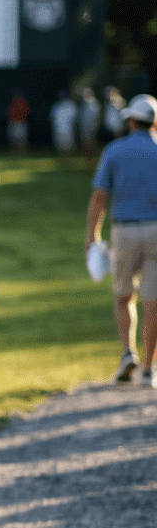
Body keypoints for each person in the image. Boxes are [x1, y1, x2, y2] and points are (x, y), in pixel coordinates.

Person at [85, 93, 157, 387]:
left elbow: (100, 196)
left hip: (125, 231)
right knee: (153, 302)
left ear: (130, 120)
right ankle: (150, 369)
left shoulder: (115, 150)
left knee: (123, 295)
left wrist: (92, 234)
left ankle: (128, 353)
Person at [50, 91, 77, 165]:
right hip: (58, 130)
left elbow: (74, 118)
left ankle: (69, 160)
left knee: (68, 146)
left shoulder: (70, 105)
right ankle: (63, 160)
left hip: (68, 130)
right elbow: (53, 118)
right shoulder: (56, 106)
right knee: (60, 146)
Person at [78, 87, 101, 160]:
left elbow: (96, 116)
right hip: (85, 126)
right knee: (86, 141)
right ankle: (88, 156)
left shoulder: (94, 103)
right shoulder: (84, 103)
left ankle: (91, 156)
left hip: (91, 126)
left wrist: (94, 125)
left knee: (90, 141)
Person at [7, 89, 31, 156]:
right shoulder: (12, 103)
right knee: (13, 140)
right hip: (13, 123)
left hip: (21, 123)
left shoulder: (23, 103)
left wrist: (21, 121)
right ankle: (14, 155)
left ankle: (23, 154)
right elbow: (9, 113)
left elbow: (26, 113)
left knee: (22, 141)